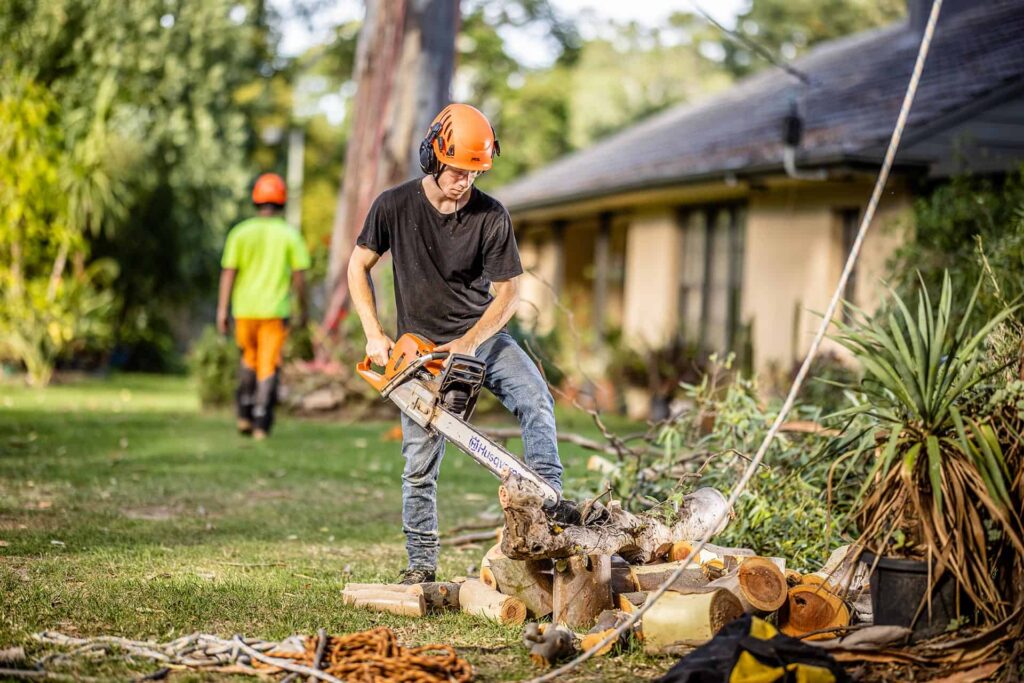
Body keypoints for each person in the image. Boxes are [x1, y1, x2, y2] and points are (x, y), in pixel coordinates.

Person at [335, 103, 565, 584]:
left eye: (474, 173)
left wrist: (470, 341)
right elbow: (357, 266)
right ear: (433, 157)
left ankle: (551, 509)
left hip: (482, 336)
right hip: (416, 351)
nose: (465, 183)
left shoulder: (490, 215)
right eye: (458, 171)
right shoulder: (393, 206)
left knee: (536, 400)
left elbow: (509, 291)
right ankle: (420, 566)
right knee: (419, 465)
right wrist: (374, 333)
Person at [217, 173, 310, 440]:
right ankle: (261, 423)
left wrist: (222, 310)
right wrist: (303, 311)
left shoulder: (240, 233)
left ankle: (243, 414)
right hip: (274, 312)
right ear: (281, 202)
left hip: (244, 311)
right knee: (268, 365)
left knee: (249, 359)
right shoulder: (290, 235)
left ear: (255, 200)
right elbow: (300, 279)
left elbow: (228, 273)